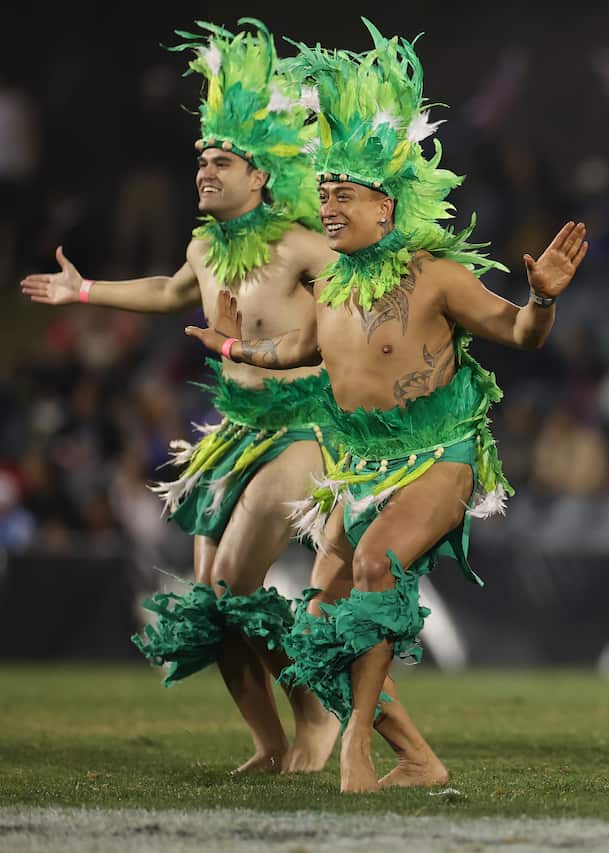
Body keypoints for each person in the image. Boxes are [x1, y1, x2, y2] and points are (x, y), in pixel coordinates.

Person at [186, 21, 588, 793]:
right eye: (324, 194)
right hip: (360, 463)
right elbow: (299, 351)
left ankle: (356, 751)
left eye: (344, 196)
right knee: (314, 626)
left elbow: (519, 333)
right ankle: (419, 756)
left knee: (374, 566)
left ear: (388, 207)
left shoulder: (435, 274)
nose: (328, 207)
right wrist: (235, 348)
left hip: (437, 455)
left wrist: (541, 298)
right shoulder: (332, 281)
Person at [20, 19, 340, 774]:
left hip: (302, 428)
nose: (205, 169)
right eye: (201, 159)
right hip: (233, 431)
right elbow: (169, 292)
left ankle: (316, 717)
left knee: (233, 585)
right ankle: (268, 740)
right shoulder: (203, 247)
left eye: (222, 160)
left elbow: (355, 315)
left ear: (260, 176)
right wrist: (85, 290)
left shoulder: (302, 245)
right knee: (209, 604)